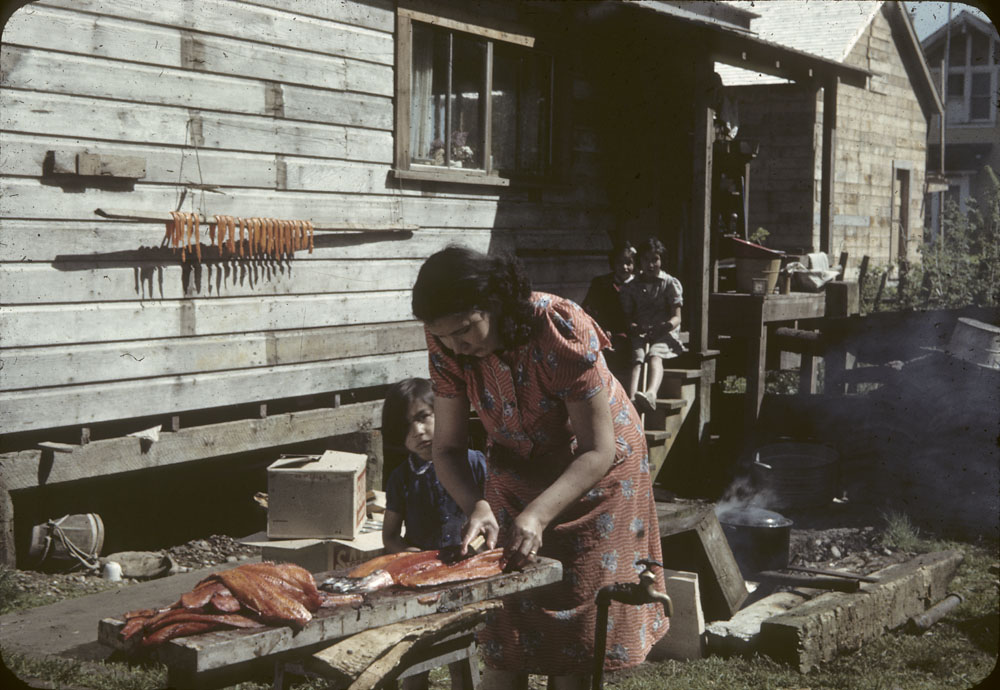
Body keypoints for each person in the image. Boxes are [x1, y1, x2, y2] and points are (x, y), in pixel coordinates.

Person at [411, 246, 667, 690]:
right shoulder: (448, 342)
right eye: (445, 336)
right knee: (506, 624)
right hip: (516, 465)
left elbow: (596, 450)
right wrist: (477, 505)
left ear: (492, 300)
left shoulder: (555, 324)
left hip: (596, 473)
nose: (458, 346)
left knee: (576, 632)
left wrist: (538, 513)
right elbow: (448, 448)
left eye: (465, 330)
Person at [381, 377, 487, 690]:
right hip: (419, 583)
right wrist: (407, 556)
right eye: (406, 426)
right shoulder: (401, 478)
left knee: (461, 652)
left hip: (465, 576)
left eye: (423, 417)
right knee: (415, 657)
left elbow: (493, 518)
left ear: (444, 413)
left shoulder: (475, 463)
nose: (417, 433)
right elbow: (389, 536)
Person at [619, 236, 686, 415]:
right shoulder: (632, 286)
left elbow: (676, 317)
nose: (650, 264)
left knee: (655, 355)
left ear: (661, 260)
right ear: (640, 261)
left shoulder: (670, 283)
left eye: (655, 259)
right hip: (642, 332)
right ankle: (632, 398)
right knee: (638, 357)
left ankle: (650, 394)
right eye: (646, 260)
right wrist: (633, 326)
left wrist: (664, 327)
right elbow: (628, 317)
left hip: (664, 331)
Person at [581, 241, 636, 384]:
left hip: (631, 335)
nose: (624, 267)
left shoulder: (640, 285)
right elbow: (588, 310)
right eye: (619, 263)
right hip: (606, 333)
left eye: (628, 263)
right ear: (613, 263)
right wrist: (601, 329)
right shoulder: (601, 284)